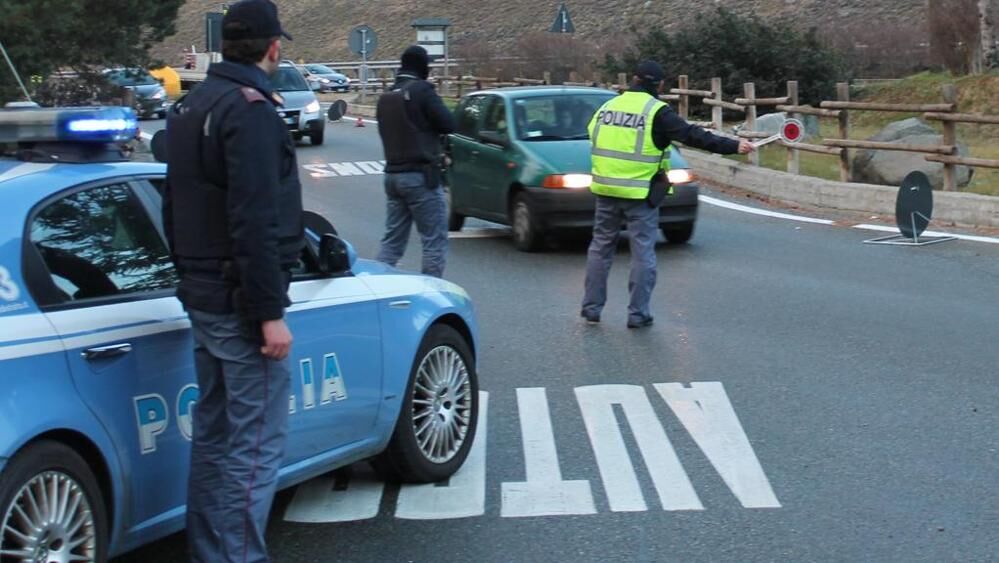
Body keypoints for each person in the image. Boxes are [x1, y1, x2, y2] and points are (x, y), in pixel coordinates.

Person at [161, 1, 303, 561]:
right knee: (254, 446)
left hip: (203, 292)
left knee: (216, 437)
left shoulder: (193, 103)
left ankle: (209, 551)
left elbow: (174, 204)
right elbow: (254, 218)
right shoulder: (250, 111)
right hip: (241, 304)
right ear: (273, 48)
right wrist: (268, 312)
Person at [581, 60, 754, 329]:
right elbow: (692, 136)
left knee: (600, 249)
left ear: (634, 80)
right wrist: (734, 146)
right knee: (643, 254)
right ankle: (638, 314)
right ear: (659, 85)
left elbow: (592, 134)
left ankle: (591, 309)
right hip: (640, 193)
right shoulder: (656, 112)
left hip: (605, 189)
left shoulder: (608, 106)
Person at [375, 45, 456, 278]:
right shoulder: (422, 91)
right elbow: (448, 123)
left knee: (392, 243)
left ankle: (379, 287)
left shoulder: (387, 96)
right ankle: (431, 293)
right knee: (434, 241)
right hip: (421, 177)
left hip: (392, 176)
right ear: (424, 67)